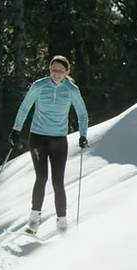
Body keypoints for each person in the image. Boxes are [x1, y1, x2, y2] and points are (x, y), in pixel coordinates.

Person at [9, 55, 89, 234]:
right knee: (42, 177)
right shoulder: (39, 85)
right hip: (38, 138)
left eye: (61, 71)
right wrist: (16, 129)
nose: (56, 74)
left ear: (67, 72)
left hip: (59, 140)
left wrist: (83, 135)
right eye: (54, 70)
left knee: (58, 181)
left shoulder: (71, 90)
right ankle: (34, 222)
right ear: (49, 70)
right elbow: (25, 107)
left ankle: (62, 223)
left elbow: (82, 114)